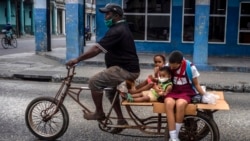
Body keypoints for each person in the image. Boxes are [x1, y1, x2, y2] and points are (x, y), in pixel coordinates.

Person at [66, 3, 140, 133]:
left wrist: (77, 59)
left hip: (126, 70)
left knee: (94, 82)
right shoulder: (120, 27)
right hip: (125, 68)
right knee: (110, 92)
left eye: (108, 14)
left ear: (116, 16)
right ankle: (121, 120)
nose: (105, 17)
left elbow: (96, 49)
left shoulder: (117, 30)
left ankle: (99, 113)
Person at [163, 50, 206, 141]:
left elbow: (196, 84)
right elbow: (162, 78)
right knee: (168, 103)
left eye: (174, 66)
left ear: (181, 62)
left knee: (180, 104)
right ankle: (173, 137)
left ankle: (176, 134)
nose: (171, 67)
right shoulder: (168, 66)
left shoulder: (190, 67)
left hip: (186, 91)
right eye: (170, 65)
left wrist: (205, 95)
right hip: (172, 89)